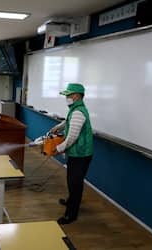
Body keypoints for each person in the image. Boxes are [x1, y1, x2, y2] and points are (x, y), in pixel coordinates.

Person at [50, 83, 93, 225]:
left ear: (77, 96)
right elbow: (69, 121)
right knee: (71, 179)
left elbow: (72, 136)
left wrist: (59, 148)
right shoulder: (75, 109)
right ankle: (70, 201)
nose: (67, 97)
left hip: (81, 154)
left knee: (75, 183)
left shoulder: (78, 112)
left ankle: (71, 214)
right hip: (76, 153)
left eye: (69, 95)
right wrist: (58, 126)